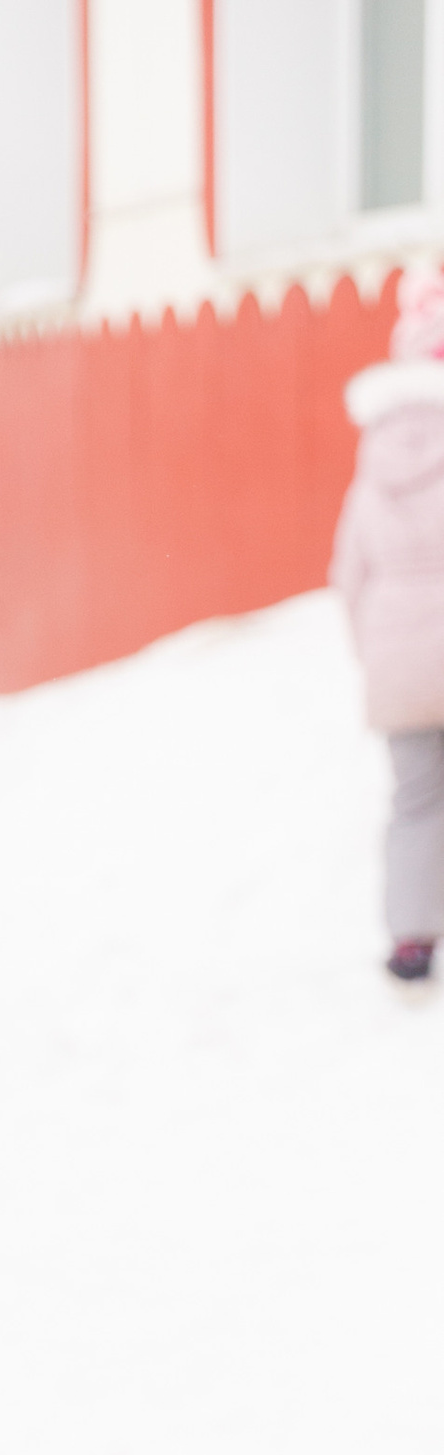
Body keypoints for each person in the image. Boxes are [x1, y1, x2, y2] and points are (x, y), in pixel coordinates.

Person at [334, 260, 444, 985]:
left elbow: (348, 575)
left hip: (399, 665)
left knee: (415, 801)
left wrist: (374, 652)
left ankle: (411, 940)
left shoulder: (372, 466)